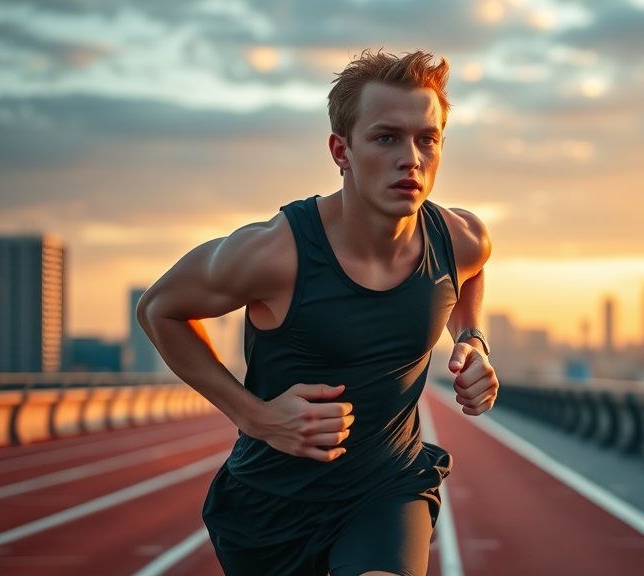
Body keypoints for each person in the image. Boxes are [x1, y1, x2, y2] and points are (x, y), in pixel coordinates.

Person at [138, 49, 499, 576]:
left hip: (388, 488)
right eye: (386, 137)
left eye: (428, 139)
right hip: (269, 505)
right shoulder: (274, 253)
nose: (412, 159)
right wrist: (255, 416)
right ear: (341, 150)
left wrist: (471, 337)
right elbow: (159, 310)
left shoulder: (459, 238)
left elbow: (472, 271)